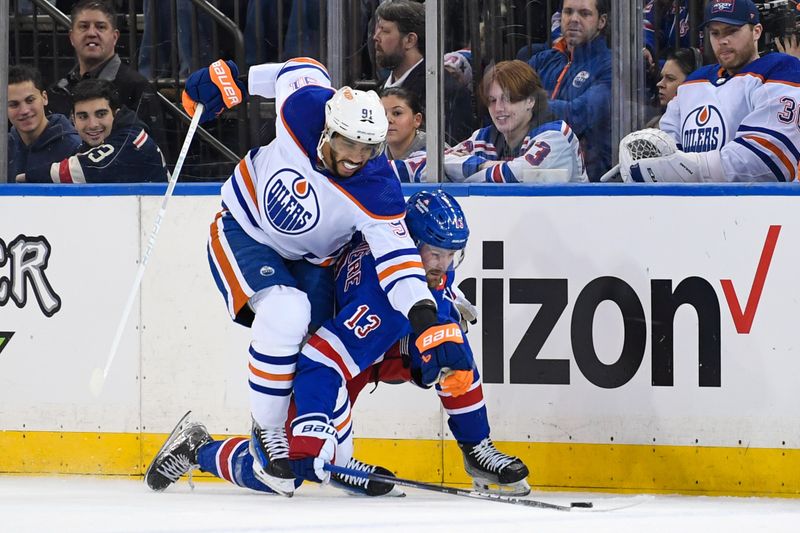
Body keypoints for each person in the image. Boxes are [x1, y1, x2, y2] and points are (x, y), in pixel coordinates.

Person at [183, 57, 472, 497]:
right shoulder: (304, 107)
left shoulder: (378, 186)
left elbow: (399, 259)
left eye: (369, 147)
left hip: (314, 261)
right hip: (245, 227)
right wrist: (234, 81)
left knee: (319, 364)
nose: (357, 158)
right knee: (286, 313)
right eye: (349, 143)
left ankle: (323, 454)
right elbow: (300, 66)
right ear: (327, 129)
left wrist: (424, 315)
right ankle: (268, 432)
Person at [144, 190, 530, 497]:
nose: (443, 265)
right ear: (410, 243)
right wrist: (311, 435)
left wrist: (445, 307)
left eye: (451, 255)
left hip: (367, 348)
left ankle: (477, 447)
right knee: (283, 475)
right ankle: (198, 449)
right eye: (435, 253)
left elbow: (431, 290)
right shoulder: (380, 298)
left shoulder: (408, 250)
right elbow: (320, 362)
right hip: (326, 356)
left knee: (450, 345)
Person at [623, 0, 800, 183]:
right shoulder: (693, 82)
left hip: (755, 207)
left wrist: (688, 168)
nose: (722, 40)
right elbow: (667, 143)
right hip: (690, 206)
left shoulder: (782, 69)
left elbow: (766, 157)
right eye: (715, 33)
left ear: (756, 31)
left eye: (732, 31)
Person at [393, 61, 587, 183]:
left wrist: (467, 167)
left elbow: (517, 176)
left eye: (509, 99)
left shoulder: (556, 136)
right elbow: (424, 163)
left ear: (530, 101)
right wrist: (480, 166)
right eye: (492, 100)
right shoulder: (484, 137)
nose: (499, 108)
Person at [46, 0, 167, 159]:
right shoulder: (58, 90)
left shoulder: (136, 86)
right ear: (71, 37)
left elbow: (153, 152)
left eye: (100, 27)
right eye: (83, 26)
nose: (91, 33)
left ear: (115, 36)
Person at [17, 79, 168, 183]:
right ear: (73, 120)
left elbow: (84, 168)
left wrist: (26, 177)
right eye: (83, 116)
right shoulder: (83, 149)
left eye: (101, 114)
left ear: (116, 114)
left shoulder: (134, 140)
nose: (93, 124)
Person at [528, 0, 612, 181]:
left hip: (592, 184)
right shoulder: (543, 60)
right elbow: (509, 98)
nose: (574, 19)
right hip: (535, 173)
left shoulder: (609, 65)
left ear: (601, 21)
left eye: (584, 13)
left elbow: (579, 115)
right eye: (568, 12)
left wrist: (528, 105)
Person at [373, 0, 474, 145]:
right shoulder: (378, 91)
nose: (376, 37)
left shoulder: (444, 93)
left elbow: (453, 155)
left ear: (410, 40)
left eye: (385, 31)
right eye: (377, 30)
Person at [7, 65, 81, 183]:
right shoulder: (4, 149)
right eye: (14, 104)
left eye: (30, 100)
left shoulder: (74, 147)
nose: (24, 110)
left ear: (44, 98)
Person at [645, 47, 701, 128]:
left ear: (691, 82)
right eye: (661, 78)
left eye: (670, 78)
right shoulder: (653, 127)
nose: (659, 84)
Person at [380, 87, 425, 160]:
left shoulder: (438, 153)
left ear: (417, 120)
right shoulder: (372, 152)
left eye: (397, 113)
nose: (388, 120)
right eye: (382, 113)